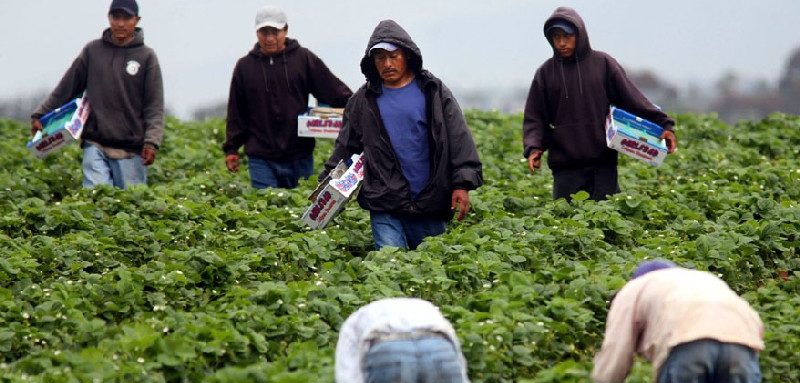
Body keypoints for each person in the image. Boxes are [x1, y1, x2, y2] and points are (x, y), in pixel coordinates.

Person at [319, 20, 483, 250]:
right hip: (384, 202)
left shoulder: (433, 92)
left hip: (429, 200)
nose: (387, 64)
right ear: (371, 62)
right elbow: (346, 148)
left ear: (407, 56)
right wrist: (325, 187)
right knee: (389, 268)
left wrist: (462, 184)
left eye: (393, 56)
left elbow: (458, 138)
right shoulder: (362, 101)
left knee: (429, 269)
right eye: (379, 58)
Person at [592, 259, 764, 383]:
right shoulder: (702, 281)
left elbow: (614, 358)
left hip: (687, 340)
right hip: (742, 341)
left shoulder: (633, 291)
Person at [523, 7, 678, 200]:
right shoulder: (546, 73)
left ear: (579, 34)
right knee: (568, 225)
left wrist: (665, 125)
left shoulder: (603, 64)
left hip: (602, 167)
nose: (561, 43)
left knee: (605, 223)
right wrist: (534, 148)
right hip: (565, 169)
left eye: (567, 36)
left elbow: (633, 99)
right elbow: (535, 117)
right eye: (555, 37)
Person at [31, 0, 164, 189]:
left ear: (136, 20)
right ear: (109, 18)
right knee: (96, 198)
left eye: (126, 18)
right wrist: (40, 114)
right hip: (95, 142)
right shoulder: (93, 51)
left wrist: (151, 142)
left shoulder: (146, 57)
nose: (120, 23)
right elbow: (67, 86)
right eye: (115, 17)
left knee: (130, 206)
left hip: (130, 149)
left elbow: (154, 106)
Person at [223, 6, 352, 189]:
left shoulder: (303, 58)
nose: (269, 38)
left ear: (285, 30)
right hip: (261, 157)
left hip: (300, 155)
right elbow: (236, 111)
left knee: (299, 210)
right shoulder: (245, 67)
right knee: (266, 209)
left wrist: (357, 106)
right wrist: (232, 148)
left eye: (275, 32)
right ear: (256, 32)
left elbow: (332, 89)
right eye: (264, 32)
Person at [335, 298, 473, 383]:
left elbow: (349, 379)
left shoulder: (353, 321)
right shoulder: (426, 307)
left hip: (388, 350)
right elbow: (458, 360)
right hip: (438, 346)